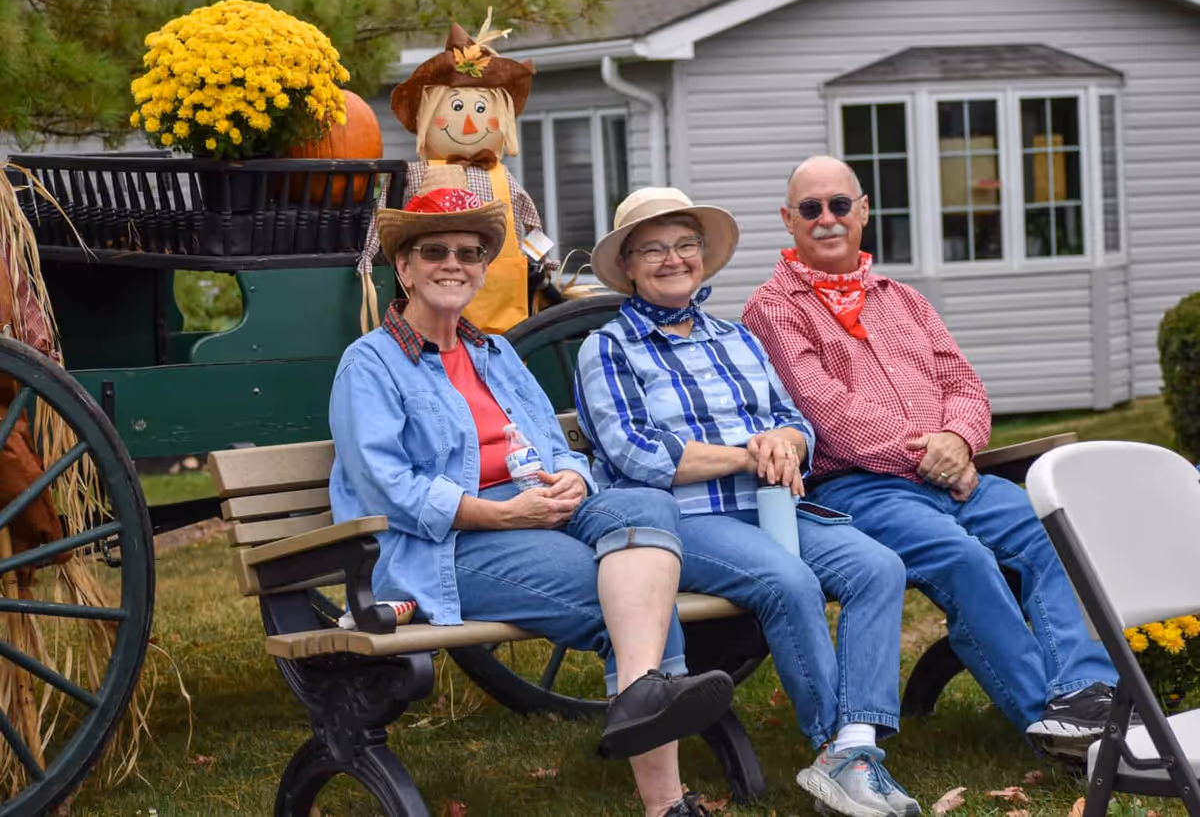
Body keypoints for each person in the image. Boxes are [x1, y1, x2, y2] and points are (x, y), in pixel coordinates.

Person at [328, 165, 734, 817]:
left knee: (646, 506)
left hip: (538, 512)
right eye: (435, 251)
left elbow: (550, 441)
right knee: (628, 596)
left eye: (469, 252)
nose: (453, 264)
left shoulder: (494, 354)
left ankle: (636, 693)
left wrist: (570, 475)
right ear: (403, 268)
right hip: (445, 544)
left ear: (484, 268)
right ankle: (667, 802)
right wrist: (503, 511)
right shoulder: (370, 365)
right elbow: (390, 487)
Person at [743, 155, 1120, 761]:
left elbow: (964, 386)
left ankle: (1085, 696)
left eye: (840, 204)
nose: (827, 219)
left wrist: (961, 441)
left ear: (863, 210)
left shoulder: (905, 300)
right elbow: (827, 413)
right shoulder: (774, 310)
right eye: (810, 209)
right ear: (789, 220)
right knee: (964, 558)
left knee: (1049, 532)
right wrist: (933, 456)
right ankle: (1060, 734)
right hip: (859, 488)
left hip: (954, 475)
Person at [575, 186, 920, 817]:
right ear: (627, 265)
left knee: (878, 568)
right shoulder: (609, 348)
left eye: (684, 245)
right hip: (686, 519)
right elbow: (639, 457)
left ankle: (856, 744)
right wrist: (747, 454)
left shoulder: (735, 338)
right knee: (788, 581)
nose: (672, 259)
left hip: (773, 507)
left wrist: (787, 440)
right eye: (653, 249)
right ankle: (831, 750)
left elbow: (792, 419)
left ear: (703, 255)